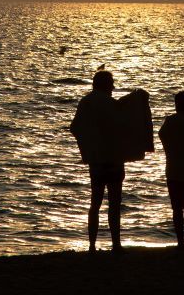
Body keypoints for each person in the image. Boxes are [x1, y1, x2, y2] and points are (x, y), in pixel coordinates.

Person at [69, 69, 125, 252]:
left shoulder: (85, 102)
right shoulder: (112, 104)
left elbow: (75, 127)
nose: (113, 87)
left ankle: (92, 245)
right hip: (114, 159)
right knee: (114, 204)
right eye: (111, 83)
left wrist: (86, 149)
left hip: (96, 160)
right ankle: (116, 244)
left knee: (95, 203)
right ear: (105, 85)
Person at [158, 90, 184, 248]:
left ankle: (181, 242)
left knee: (177, 207)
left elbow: (161, 135)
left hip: (175, 166)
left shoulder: (172, 120)